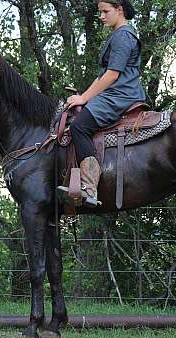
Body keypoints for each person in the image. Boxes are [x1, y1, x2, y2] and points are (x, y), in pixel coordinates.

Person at [57, 0, 146, 208]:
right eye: (100, 12)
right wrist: (84, 96)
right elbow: (102, 76)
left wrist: (84, 98)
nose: (102, 16)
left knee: (79, 126)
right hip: (115, 93)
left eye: (106, 12)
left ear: (120, 10)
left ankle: (88, 187)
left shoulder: (123, 35)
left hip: (121, 95)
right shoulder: (118, 35)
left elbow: (112, 75)